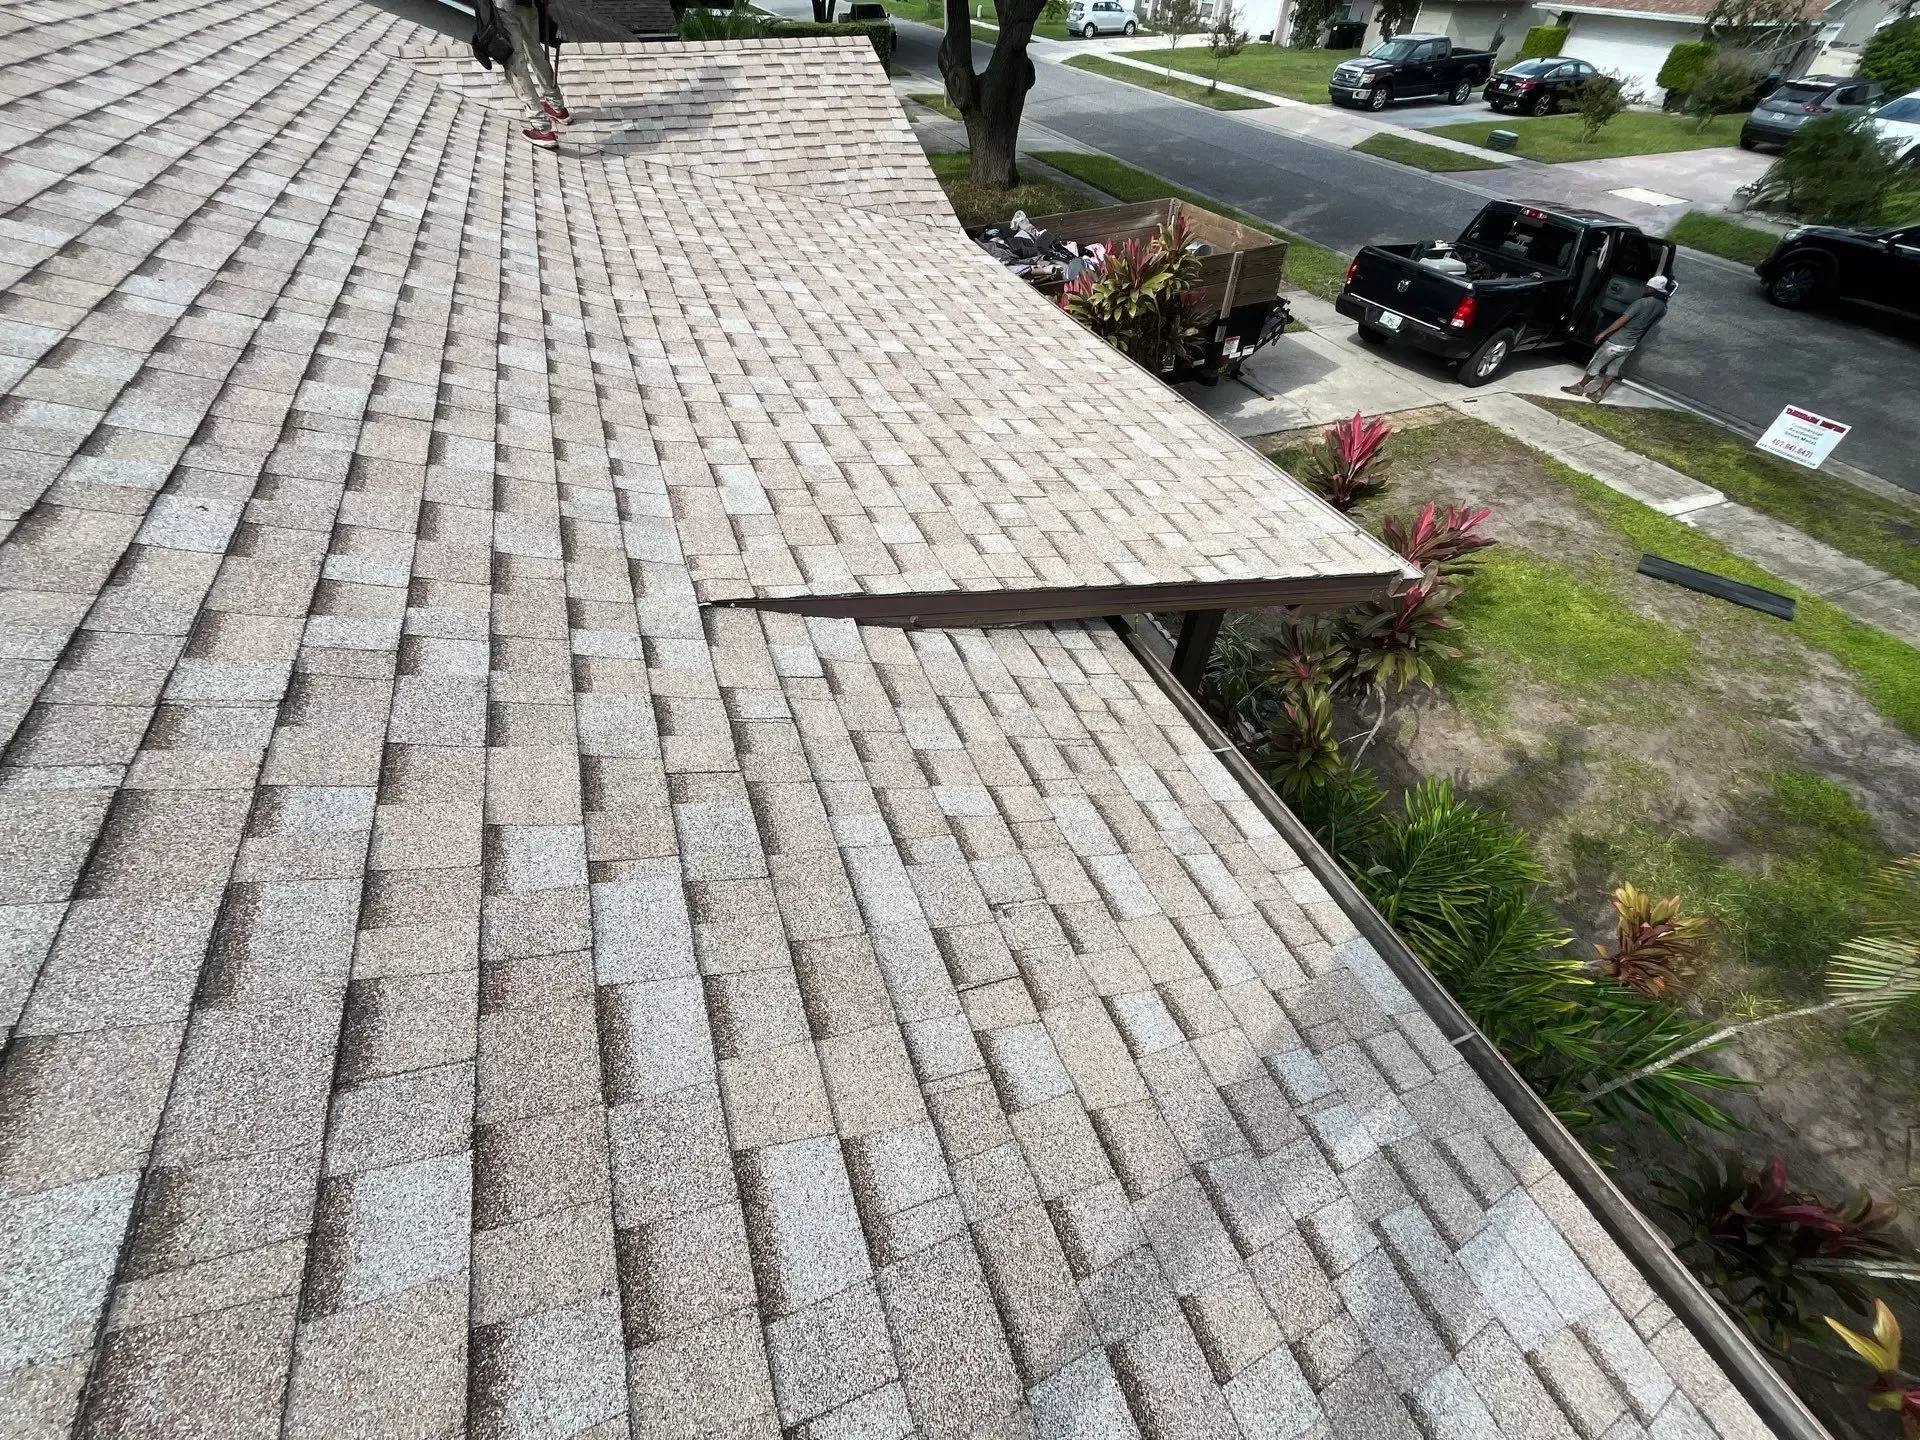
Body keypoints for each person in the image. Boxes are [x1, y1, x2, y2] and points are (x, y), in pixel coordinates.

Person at [472, 0, 571, 150]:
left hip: (505, 7)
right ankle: (557, 106)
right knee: (536, 51)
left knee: (515, 62)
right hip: (528, 4)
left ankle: (542, 128)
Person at [1562, 274, 1672, 404]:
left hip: (1616, 341)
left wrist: (1604, 333)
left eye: (1647, 287)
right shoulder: (1662, 308)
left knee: (1596, 364)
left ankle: (1579, 387)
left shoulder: (1641, 303)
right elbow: (1649, 326)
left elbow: (1622, 320)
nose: (1645, 289)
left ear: (1651, 289)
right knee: (1613, 369)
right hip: (1630, 344)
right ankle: (1599, 393)